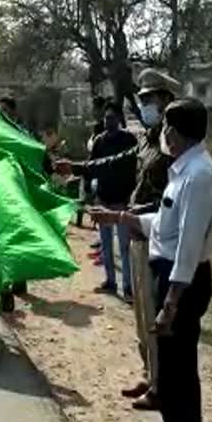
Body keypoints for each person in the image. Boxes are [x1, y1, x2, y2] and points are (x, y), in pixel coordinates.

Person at [90, 98, 212, 422]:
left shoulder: (197, 176)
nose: (161, 133)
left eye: (165, 127)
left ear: (175, 134)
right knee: (180, 371)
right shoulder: (185, 170)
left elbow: (189, 247)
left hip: (182, 282)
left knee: (175, 378)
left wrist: (169, 305)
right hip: (176, 277)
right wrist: (118, 218)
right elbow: (166, 226)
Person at [56, 68, 180, 411]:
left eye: (149, 100)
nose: (144, 107)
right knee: (141, 311)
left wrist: (135, 213)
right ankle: (149, 373)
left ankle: (161, 386)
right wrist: (79, 168)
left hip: (158, 232)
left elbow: (174, 197)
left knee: (155, 313)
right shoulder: (146, 140)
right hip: (137, 228)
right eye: (141, 101)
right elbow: (114, 161)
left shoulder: (175, 146)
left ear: (167, 102)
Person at [89, 101, 138, 299]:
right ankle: (111, 282)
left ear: (119, 119)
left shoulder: (129, 140)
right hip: (104, 199)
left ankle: (127, 287)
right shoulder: (99, 141)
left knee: (125, 248)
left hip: (122, 202)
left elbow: (136, 168)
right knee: (106, 245)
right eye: (105, 117)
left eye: (111, 117)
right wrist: (91, 191)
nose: (107, 121)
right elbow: (91, 166)